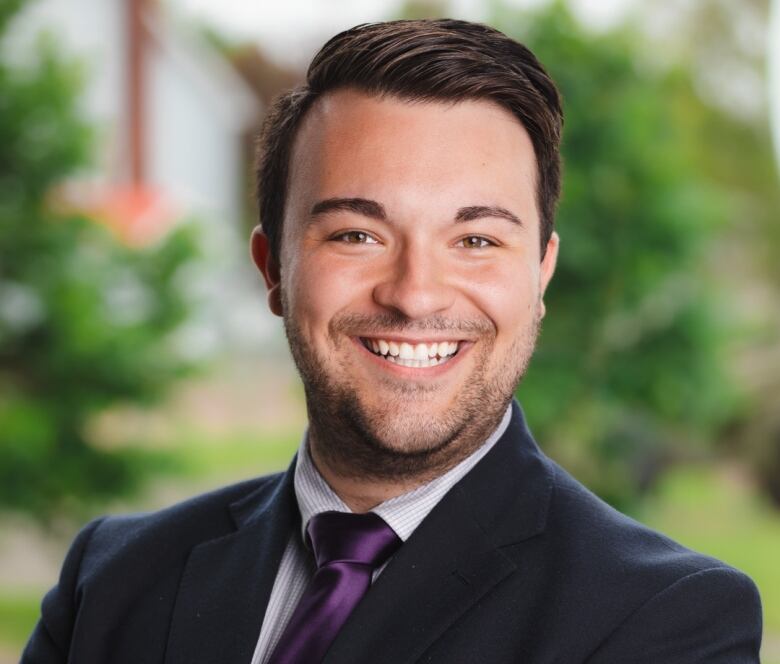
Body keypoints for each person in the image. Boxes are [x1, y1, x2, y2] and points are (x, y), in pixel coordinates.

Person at [23, 18, 762, 664]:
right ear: (271, 269)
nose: (414, 294)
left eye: (474, 239)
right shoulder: (113, 579)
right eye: (357, 234)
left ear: (541, 274)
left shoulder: (665, 620)